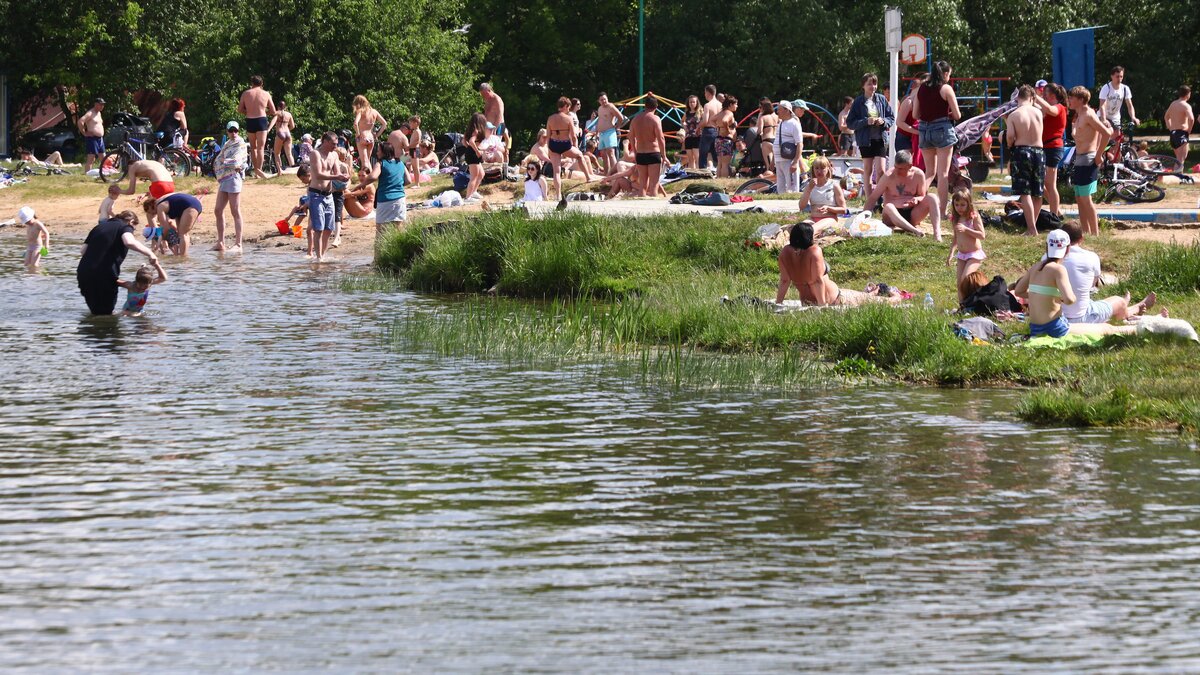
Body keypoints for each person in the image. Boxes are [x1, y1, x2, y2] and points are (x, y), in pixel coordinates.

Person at [776, 221, 903, 307]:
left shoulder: (785, 252)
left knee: (860, 296)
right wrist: (822, 306)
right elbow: (818, 280)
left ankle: (873, 292)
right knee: (883, 302)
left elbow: (784, 281)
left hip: (807, 302)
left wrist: (778, 303)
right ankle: (896, 296)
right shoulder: (814, 251)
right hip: (834, 299)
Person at [1056, 221, 1156, 324]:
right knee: (1119, 301)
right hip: (1080, 316)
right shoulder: (1090, 256)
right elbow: (1091, 285)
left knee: (1086, 301)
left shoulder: (1047, 259)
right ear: (1081, 239)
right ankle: (1133, 309)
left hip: (1052, 316)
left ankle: (1124, 308)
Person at [77, 210, 157, 315]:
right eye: (133, 228)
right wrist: (150, 253)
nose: (132, 230)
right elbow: (129, 242)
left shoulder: (98, 227)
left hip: (84, 272)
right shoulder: (125, 227)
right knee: (106, 314)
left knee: (96, 313)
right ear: (131, 221)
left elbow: (83, 251)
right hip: (104, 274)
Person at [913, 60, 962, 218]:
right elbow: (957, 115)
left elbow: (915, 115)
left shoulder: (921, 88)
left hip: (924, 130)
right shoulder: (946, 88)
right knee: (943, 174)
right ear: (945, 73)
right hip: (942, 129)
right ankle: (941, 211)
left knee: (929, 173)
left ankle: (919, 204)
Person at [862, 150, 941, 239]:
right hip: (892, 216)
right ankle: (914, 231)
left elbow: (921, 196)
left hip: (912, 213)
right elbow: (873, 198)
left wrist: (917, 199)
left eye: (900, 169)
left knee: (932, 197)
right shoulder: (888, 176)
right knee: (888, 206)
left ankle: (937, 234)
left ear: (910, 166)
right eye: (896, 167)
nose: (897, 171)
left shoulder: (918, 175)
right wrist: (863, 218)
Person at [1013, 229, 1077, 338]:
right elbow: (1069, 300)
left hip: (1036, 328)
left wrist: (1041, 295)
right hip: (1055, 327)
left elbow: (1018, 291)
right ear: (1067, 249)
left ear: (1047, 247)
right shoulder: (1059, 269)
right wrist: (1063, 298)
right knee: (1102, 328)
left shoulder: (1035, 267)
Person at [1067, 86, 1112, 237]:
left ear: (1080, 100)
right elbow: (1088, 135)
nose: (1069, 101)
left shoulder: (1088, 114)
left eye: (1072, 98)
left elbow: (1106, 133)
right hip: (1080, 158)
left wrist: (1099, 155)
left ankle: (1095, 234)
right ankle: (1085, 232)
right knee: (1079, 198)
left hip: (1088, 158)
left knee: (1086, 198)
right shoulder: (1079, 115)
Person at [846, 73, 895, 199]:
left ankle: (881, 199)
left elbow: (891, 117)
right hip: (865, 140)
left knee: (881, 170)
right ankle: (870, 201)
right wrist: (865, 122)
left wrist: (883, 121)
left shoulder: (881, 99)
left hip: (880, 139)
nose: (872, 86)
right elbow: (850, 123)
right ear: (863, 86)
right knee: (868, 170)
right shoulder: (858, 102)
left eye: (874, 83)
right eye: (869, 84)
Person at [1006, 84, 1045, 236]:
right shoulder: (1039, 113)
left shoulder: (1014, 115)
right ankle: (1032, 224)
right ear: (1032, 97)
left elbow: (1010, 137)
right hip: (1039, 151)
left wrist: (1010, 144)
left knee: (1025, 192)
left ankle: (1031, 229)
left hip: (1022, 151)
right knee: (1037, 193)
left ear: (1018, 98)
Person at [307, 131, 349, 262]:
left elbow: (337, 173)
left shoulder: (334, 155)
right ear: (325, 141)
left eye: (336, 144)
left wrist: (344, 177)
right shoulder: (315, 154)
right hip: (316, 194)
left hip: (329, 195)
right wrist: (337, 176)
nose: (335, 147)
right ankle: (319, 258)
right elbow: (318, 174)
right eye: (333, 144)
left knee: (329, 228)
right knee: (318, 228)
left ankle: (322, 255)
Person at [361, 141, 410, 243]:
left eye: (379, 151)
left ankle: (378, 258)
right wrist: (397, 185)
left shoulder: (380, 163)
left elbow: (373, 176)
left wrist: (362, 184)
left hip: (385, 201)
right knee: (399, 230)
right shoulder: (400, 162)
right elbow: (408, 180)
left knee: (380, 233)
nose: (377, 153)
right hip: (400, 200)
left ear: (384, 152)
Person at [546, 97, 594, 200]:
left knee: (556, 171)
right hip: (565, 145)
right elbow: (573, 135)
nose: (569, 109)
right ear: (565, 106)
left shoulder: (550, 118)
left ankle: (558, 195)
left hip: (554, 144)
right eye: (568, 107)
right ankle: (588, 177)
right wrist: (575, 146)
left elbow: (548, 135)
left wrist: (549, 149)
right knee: (580, 155)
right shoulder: (568, 118)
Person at [1033, 83, 1069, 217]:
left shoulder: (1059, 107)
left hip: (1053, 148)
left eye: (1045, 94)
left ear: (1053, 96)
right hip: (1045, 148)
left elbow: (1049, 108)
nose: (1043, 96)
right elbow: (1040, 108)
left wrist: (1035, 96)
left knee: (1050, 184)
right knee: (1041, 184)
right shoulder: (1048, 108)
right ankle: (1057, 210)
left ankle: (1054, 215)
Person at [213, 121, 248, 252]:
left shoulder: (240, 143)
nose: (233, 133)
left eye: (235, 130)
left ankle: (238, 244)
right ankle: (220, 242)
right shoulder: (227, 144)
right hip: (224, 179)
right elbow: (219, 159)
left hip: (234, 178)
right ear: (227, 131)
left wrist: (224, 162)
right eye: (231, 130)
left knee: (235, 210)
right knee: (218, 210)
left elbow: (237, 161)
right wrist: (221, 165)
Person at [945, 187, 985, 296]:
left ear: (969, 204)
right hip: (962, 255)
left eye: (963, 205)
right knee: (959, 283)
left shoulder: (973, 216)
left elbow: (982, 235)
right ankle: (961, 307)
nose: (959, 208)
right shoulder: (955, 218)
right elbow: (955, 237)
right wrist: (951, 253)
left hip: (974, 254)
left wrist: (967, 229)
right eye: (956, 205)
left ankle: (969, 304)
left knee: (965, 279)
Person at [628, 94, 667, 197]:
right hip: (653, 153)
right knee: (653, 185)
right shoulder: (655, 119)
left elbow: (630, 136)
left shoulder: (635, 119)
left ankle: (642, 209)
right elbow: (661, 138)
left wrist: (635, 152)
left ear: (644, 106)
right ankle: (653, 210)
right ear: (656, 106)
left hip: (640, 153)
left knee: (643, 186)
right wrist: (664, 155)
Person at [238, 75, 276, 178]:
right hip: (261, 120)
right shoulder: (266, 94)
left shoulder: (246, 93)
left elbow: (240, 109)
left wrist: (248, 112)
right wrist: (264, 112)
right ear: (262, 84)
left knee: (253, 148)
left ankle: (255, 170)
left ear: (252, 83)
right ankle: (259, 172)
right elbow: (273, 111)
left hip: (250, 120)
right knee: (261, 148)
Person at [797, 156, 846, 227]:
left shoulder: (834, 185)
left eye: (822, 168)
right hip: (813, 218)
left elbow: (843, 209)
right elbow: (801, 207)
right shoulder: (810, 185)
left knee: (813, 229)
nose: (819, 171)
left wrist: (828, 208)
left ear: (828, 168)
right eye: (816, 168)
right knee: (800, 229)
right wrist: (808, 189)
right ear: (813, 169)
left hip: (829, 218)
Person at [352, 95, 387, 173]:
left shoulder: (360, 111)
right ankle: (369, 178)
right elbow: (384, 124)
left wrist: (358, 133)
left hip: (362, 136)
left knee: (364, 161)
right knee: (368, 159)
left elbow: (355, 124)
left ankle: (367, 180)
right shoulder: (374, 111)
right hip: (371, 137)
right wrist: (377, 135)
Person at [773, 100, 803, 194]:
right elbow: (777, 142)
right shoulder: (781, 123)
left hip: (789, 160)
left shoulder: (794, 124)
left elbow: (799, 144)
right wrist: (773, 160)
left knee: (791, 189)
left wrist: (795, 162)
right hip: (779, 160)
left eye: (779, 109)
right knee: (781, 187)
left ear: (786, 110)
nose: (777, 112)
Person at [595, 92, 627, 175]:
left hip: (609, 131)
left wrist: (617, 127)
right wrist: (596, 133)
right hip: (601, 133)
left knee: (611, 153)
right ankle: (607, 174)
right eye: (601, 100)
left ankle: (615, 174)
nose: (604, 101)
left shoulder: (611, 106)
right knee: (603, 155)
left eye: (605, 99)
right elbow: (599, 120)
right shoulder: (600, 108)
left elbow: (621, 117)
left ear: (607, 99)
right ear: (599, 101)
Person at [1165, 85, 1195, 167]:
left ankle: (1177, 176)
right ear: (1188, 94)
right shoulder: (1186, 105)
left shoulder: (1173, 104)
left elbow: (1166, 117)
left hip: (1173, 134)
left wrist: (1170, 127)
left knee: (1180, 158)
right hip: (1181, 133)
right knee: (1180, 160)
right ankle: (1178, 177)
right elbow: (1191, 119)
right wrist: (1189, 130)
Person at [462, 112, 488, 202]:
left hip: (471, 153)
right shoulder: (476, 131)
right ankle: (468, 197)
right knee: (474, 176)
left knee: (481, 174)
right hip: (473, 155)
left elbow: (463, 141)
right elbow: (471, 141)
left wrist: (469, 148)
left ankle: (474, 192)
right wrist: (476, 151)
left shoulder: (469, 130)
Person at [78, 98, 106, 174]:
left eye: (103, 104)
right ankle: (87, 174)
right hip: (92, 138)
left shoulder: (99, 113)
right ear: (96, 104)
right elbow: (80, 121)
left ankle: (104, 173)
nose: (102, 106)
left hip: (100, 139)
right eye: (101, 104)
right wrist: (84, 133)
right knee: (91, 158)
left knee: (103, 158)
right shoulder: (90, 113)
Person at [713, 96, 739, 178]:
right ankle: (723, 182)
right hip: (726, 140)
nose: (737, 106)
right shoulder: (729, 113)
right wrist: (727, 130)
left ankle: (718, 181)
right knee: (725, 164)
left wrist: (718, 126)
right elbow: (725, 121)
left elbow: (711, 119)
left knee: (720, 163)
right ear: (730, 104)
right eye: (736, 104)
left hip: (718, 139)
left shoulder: (721, 113)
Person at [698, 84, 721, 171]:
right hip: (717, 130)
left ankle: (702, 173)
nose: (704, 95)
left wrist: (698, 127)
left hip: (708, 131)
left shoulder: (707, 105)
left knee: (703, 153)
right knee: (716, 154)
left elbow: (705, 121)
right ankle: (722, 171)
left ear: (708, 93)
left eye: (705, 93)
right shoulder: (721, 105)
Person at [267, 100, 296, 171]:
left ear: (278, 107)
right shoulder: (289, 114)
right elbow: (292, 126)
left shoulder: (277, 113)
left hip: (280, 133)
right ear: (285, 107)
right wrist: (287, 129)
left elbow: (274, 120)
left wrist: (269, 129)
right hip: (288, 134)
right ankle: (293, 169)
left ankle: (280, 170)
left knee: (277, 153)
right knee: (289, 154)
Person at [754, 97, 779, 174]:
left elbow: (759, 131)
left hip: (766, 141)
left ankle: (768, 182)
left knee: (769, 167)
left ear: (763, 107)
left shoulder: (763, 117)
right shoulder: (776, 116)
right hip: (775, 140)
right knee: (775, 165)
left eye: (760, 107)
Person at [683, 95, 703, 169]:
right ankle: (692, 173)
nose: (692, 103)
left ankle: (698, 172)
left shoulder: (700, 112)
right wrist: (684, 127)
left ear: (696, 103)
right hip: (688, 136)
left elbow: (704, 121)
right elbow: (682, 121)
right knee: (690, 158)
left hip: (697, 136)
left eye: (693, 102)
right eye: (690, 102)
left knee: (697, 157)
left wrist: (699, 128)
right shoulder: (687, 113)